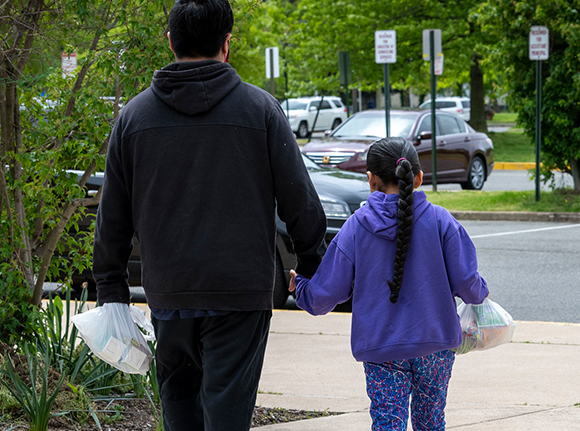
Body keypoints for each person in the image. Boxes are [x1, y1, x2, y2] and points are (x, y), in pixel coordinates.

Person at [92, 0, 327, 429]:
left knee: (179, 410)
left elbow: (113, 216)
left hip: (169, 291)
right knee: (227, 414)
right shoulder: (260, 111)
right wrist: (314, 265)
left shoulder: (133, 118)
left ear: (170, 42)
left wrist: (112, 290)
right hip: (240, 293)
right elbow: (299, 200)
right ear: (227, 44)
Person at [289, 137, 489, 430]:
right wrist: (482, 290)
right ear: (418, 178)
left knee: (388, 423)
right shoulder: (441, 221)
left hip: (381, 346)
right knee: (431, 421)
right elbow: (470, 286)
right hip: (435, 344)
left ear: (370, 181)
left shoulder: (356, 227)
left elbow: (325, 295)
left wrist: (302, 288)